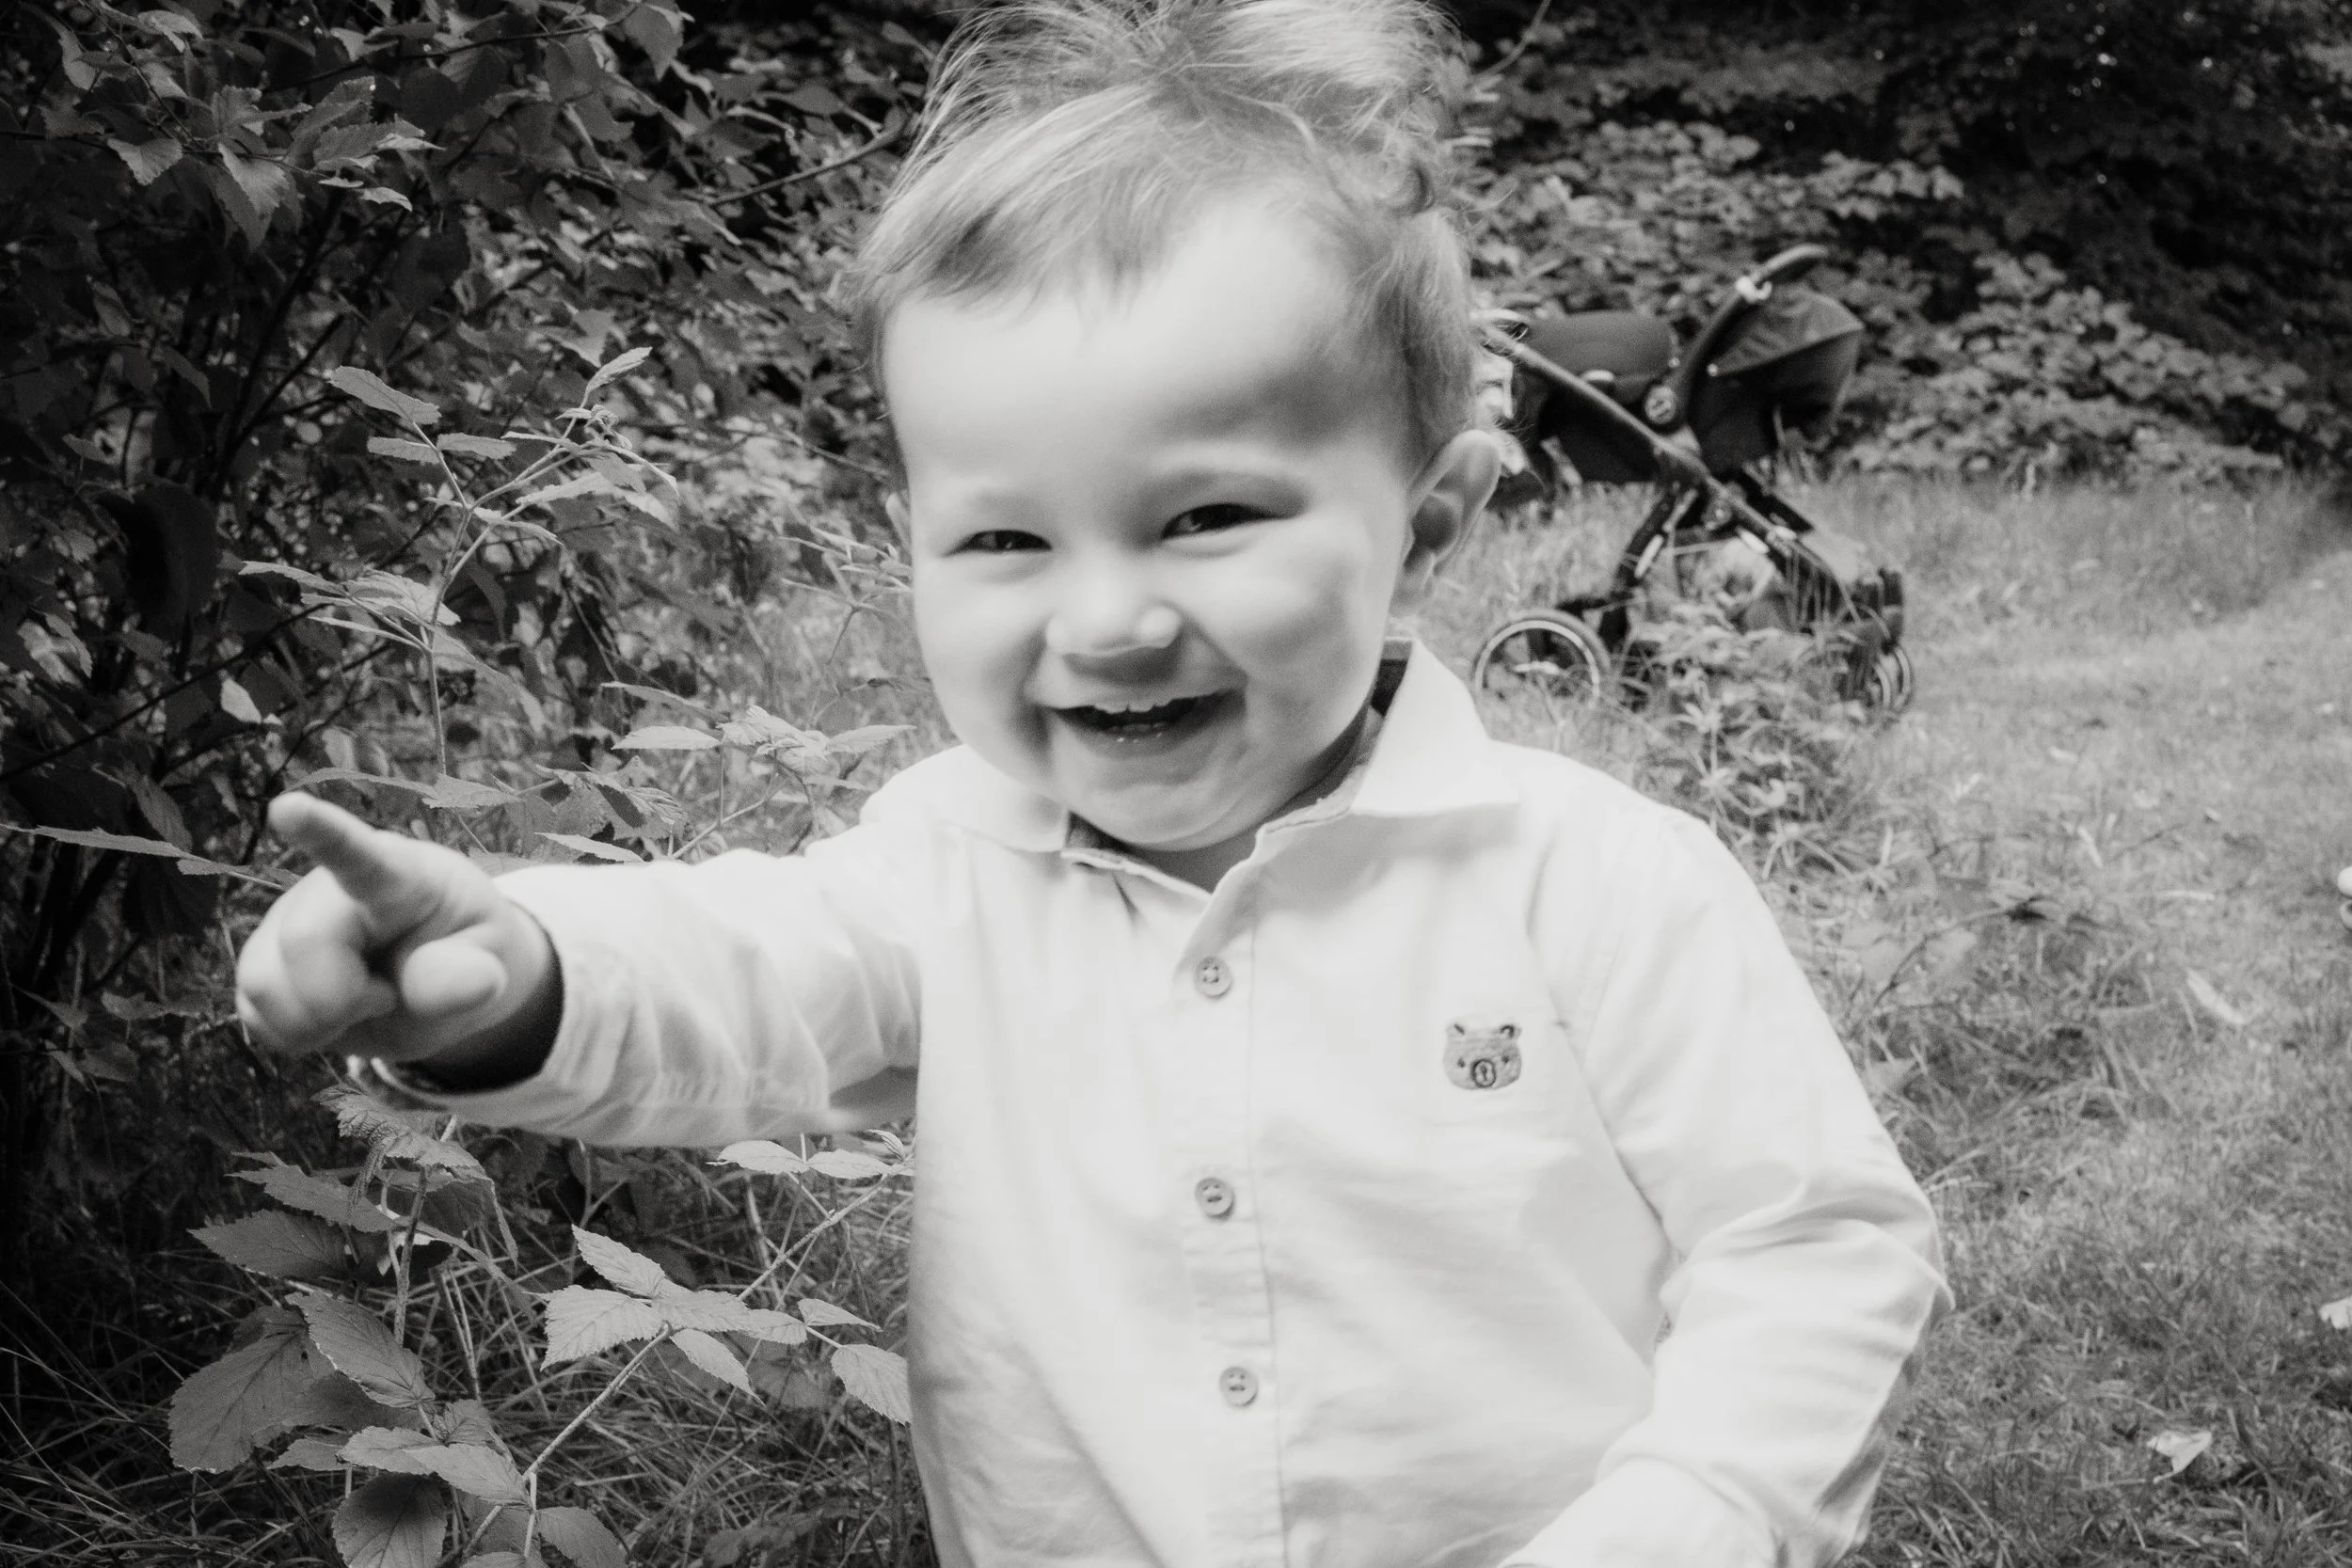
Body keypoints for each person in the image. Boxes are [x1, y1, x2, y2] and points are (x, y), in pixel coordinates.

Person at [234, 2, 1948, 1563]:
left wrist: (1682, 1522)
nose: (1111, 619)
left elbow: (1814, 1249)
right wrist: (516, 973)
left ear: (1430, 518)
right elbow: (738, 974)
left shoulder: (1597, 886)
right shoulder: (944, 871)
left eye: (1208, 516)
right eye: (1002, 538)